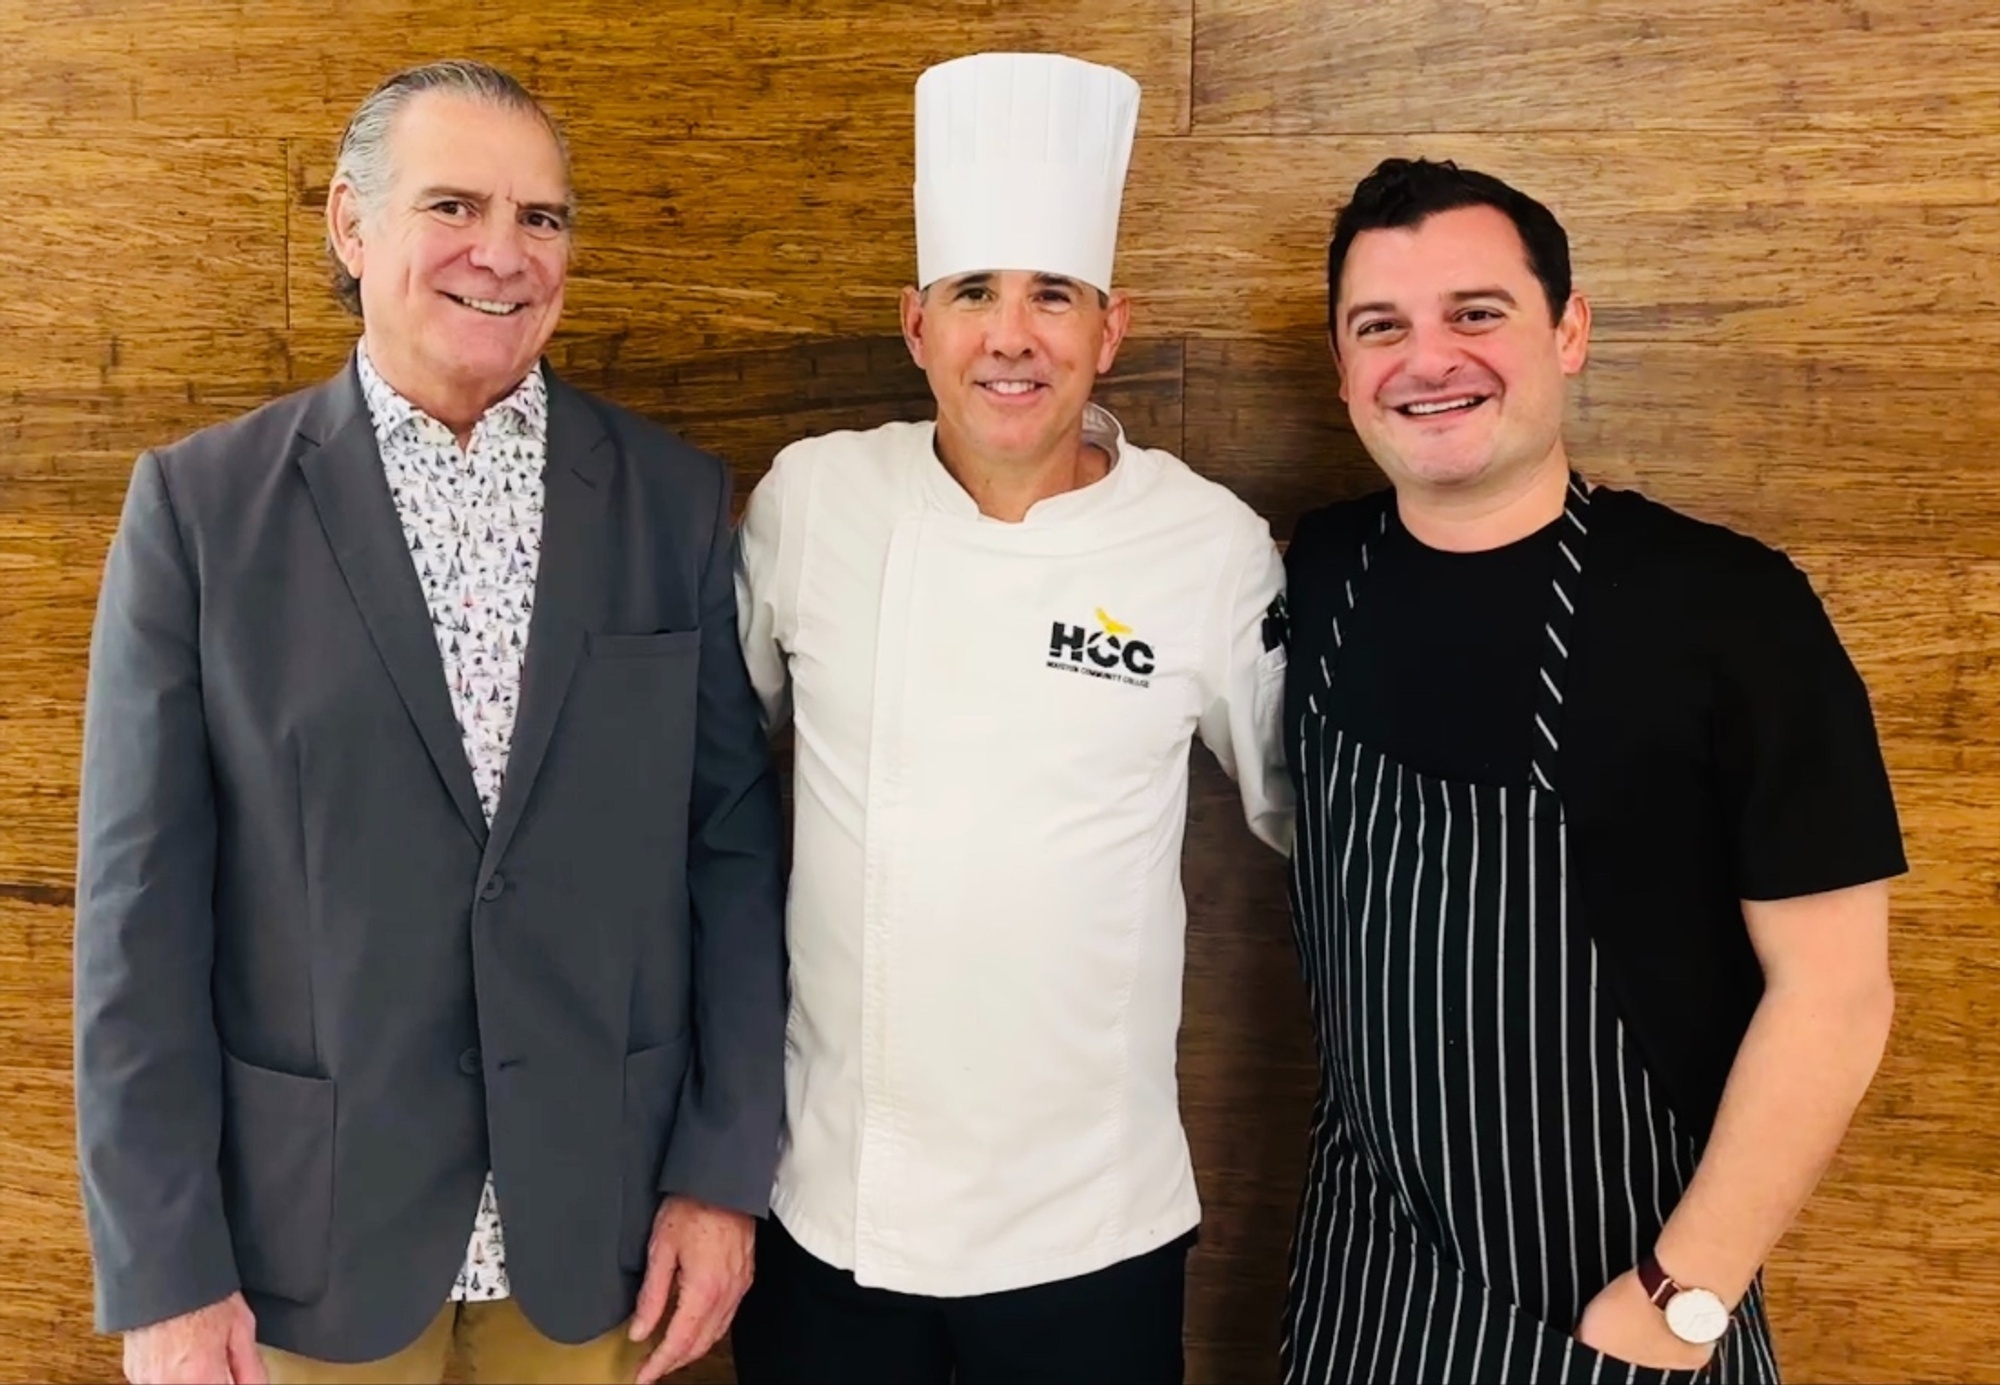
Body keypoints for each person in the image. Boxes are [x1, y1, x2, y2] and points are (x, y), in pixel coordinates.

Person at [73, 59, 787, 1385]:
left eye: (543, 219)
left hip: (597, 1238)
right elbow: (137, 920)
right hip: (305, 1246)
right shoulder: (201, 514)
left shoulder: (670, 504)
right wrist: (165, 1268)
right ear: (352, 225)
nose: (503, 255)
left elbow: (731, 863)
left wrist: (721, 1174)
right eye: (455, 205)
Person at [1278, 157, 1904, 1384]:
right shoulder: (1315, 574)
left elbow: (1835, 995)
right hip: (1363, 1291)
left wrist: (1680, 1292)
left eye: (1475, 313)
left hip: (1626, 1301)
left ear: (1566, 330)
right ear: (1343, 366)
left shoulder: (1729, 606)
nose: (1426, 359)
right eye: (1379, 327)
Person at [728, 51, 1291, 1385]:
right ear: (918, 324)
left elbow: (1315, 813)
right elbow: (708, 775)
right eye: (976, 292)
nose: (1012, 335)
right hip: (828, 1210)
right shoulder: (814, 501)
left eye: (1054, 296)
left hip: (1092, 1231)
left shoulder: (1204, 546)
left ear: (1113, 328)